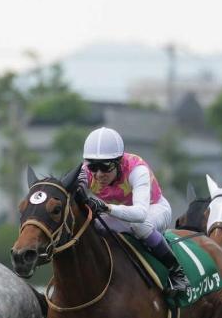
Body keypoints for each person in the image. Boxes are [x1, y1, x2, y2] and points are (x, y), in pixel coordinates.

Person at [78, 126, 189, 296]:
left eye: (105, 166)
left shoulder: (137, 170)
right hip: (119, 214)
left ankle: (177, 272)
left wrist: (106, 208)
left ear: (118, 162)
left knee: (139, 226)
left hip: (154, 208)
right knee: (91, 226)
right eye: (93, 167)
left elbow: (140, 214)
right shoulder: (86, 173)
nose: (99, 174)